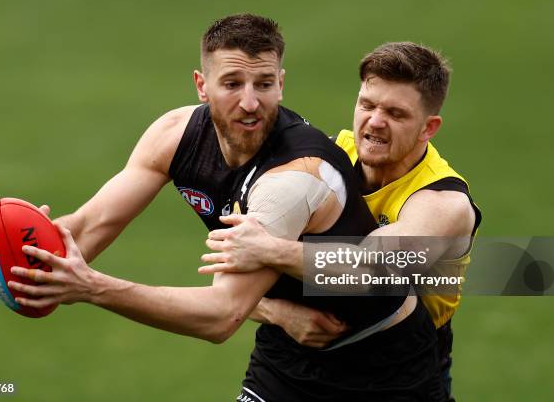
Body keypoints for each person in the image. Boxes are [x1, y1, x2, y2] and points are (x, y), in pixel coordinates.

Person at [0, 17, 445, 401]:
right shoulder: (175, 135)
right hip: (288, 352)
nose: (250, 102)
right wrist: (32, 254)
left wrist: (93, 288)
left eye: (263, 84)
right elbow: (91, 225)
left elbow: (220, 316)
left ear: (282, 84)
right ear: (202, 84)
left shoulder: (294, 178)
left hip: (384, 365)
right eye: (232, 83)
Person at [199, 42, 482, 401]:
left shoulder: (443, 204)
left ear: (429, 128)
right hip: (293, 356)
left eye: (395, 113)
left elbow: (370, 271)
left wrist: (271, 249)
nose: (375, 121)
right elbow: (233, 258)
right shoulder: (321, 160)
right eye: (367, 105)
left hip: (397, 372)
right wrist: (279, 312)